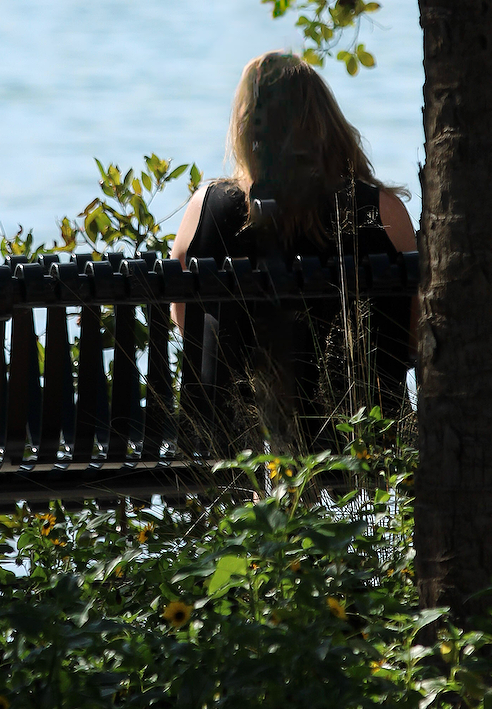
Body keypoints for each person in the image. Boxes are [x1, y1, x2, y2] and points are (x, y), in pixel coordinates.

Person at [170, 51, 418, 450]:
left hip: (230, 439)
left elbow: (190, 322)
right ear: (326, 124)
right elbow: (412, 334)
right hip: (359, 435)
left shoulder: (205, 209)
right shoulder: (381, 211)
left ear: (246, 127)